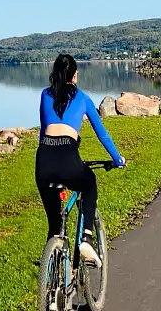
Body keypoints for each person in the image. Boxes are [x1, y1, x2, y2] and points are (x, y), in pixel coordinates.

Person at [36, 53, 126, 266]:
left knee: (54, 225)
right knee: (89, 183)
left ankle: (52, 288)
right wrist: (118, 159)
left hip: (43, 157)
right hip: (67, 153)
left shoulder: (44, 95)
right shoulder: (83, 98)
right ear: (75, 75)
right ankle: (86, 237)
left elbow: (43, 131)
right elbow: (102, 134)